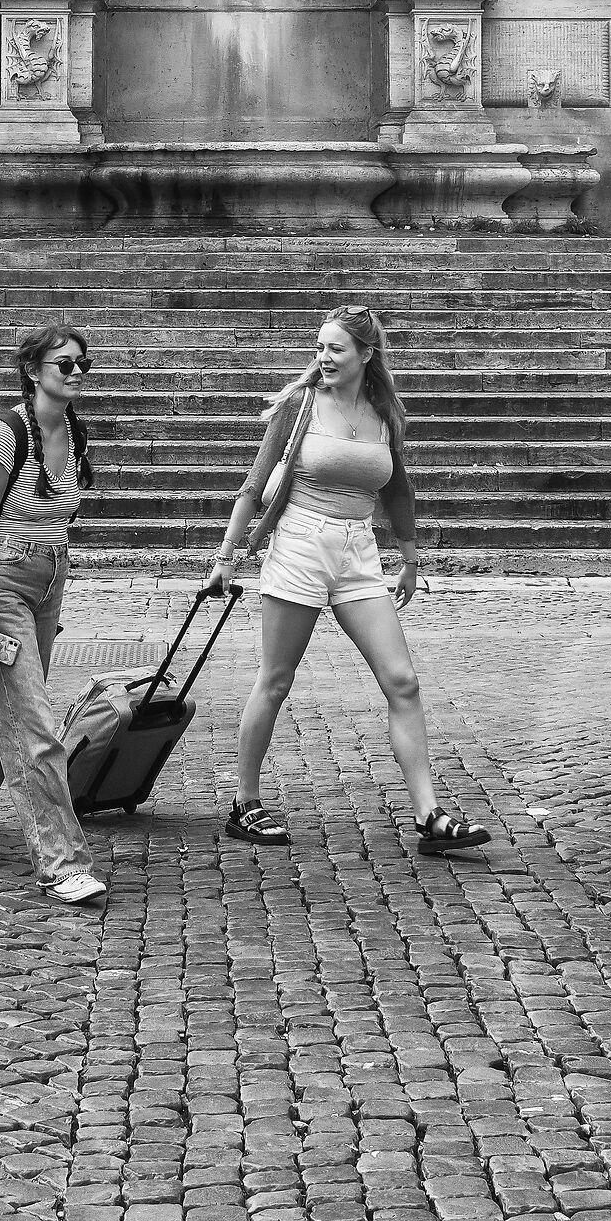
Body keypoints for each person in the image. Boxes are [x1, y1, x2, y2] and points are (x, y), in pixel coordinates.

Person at [204, 303, 493, 856]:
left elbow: (397, 487)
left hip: (359, 547)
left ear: (366, 354)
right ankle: (245, 802)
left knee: (402, 681)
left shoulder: (385, 412)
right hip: (301, 542)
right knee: (277, 679)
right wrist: (227, 557)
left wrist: (409, 557)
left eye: (336, 348)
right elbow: (254, 484)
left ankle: (429, 815)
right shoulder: (300, 404)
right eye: (320, 347)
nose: (323, 357)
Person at [0, 321, 106, 904]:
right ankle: (62, 863)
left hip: (49, 579)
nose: (76, 372)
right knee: (35, 725)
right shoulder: (7, 434)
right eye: (64, 364)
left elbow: (62, 517)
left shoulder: (77, 435)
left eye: (82, 363)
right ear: (34, 371)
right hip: (3, 581)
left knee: (8, 707)